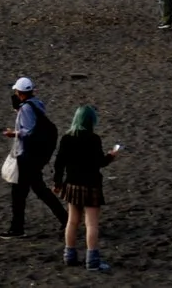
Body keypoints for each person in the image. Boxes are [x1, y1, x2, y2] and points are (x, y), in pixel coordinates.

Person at [50, 103, 115, 270]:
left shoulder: (67, 138)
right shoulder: (94, 139)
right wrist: (111, 156)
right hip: (91, 185)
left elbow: (59, 164)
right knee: (91, 224)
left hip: (72, 184)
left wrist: (57, 183)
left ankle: (69, 256)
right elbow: (100, 162)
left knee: (72, 222)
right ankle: (92, 261)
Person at [4, 76, 66, 237]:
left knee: (19, 194)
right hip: (35, 156)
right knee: (39, 190)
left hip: (27, 156)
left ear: (19, 92)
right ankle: (65, 219)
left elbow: (28, 131)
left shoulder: (26, 108)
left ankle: (17, 228)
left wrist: (13, 133)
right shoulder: (36, 104)